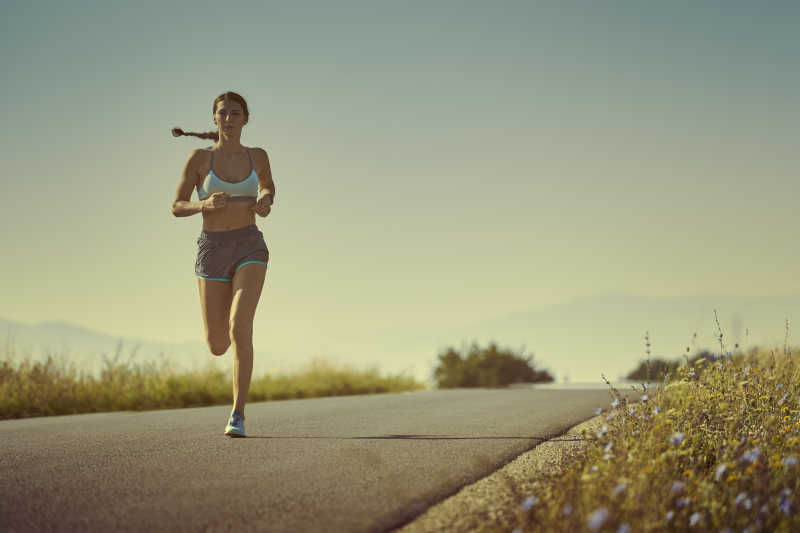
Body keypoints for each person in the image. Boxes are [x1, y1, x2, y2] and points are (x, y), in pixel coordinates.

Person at [170, 91, 275, 438]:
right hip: (212, 250)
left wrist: (264, 202)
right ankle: (227, 323)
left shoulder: (258, 156)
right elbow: (176, 205)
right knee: (218, 343)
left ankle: (237, 415)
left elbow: (267, 188)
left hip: (249, 247)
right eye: (223, 113)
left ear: (246, 119)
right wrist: (203, 206)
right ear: (214, 119)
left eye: (235, 113)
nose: (229, 119)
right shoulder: (199, 158)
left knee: (239, 328)